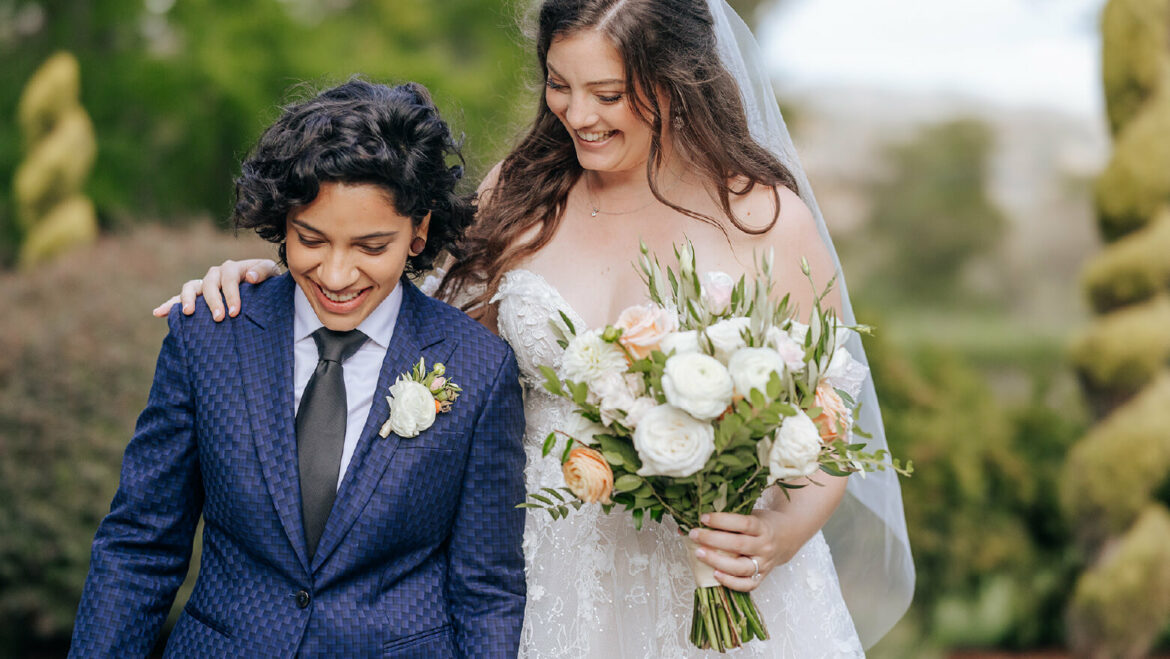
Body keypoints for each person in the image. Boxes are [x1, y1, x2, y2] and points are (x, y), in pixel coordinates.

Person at [155, 0, 915, 655]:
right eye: (560, 84)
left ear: (678, 81)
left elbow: (827, 421)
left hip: (710, 570)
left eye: (608, 93)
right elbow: (394, 307)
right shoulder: (521, 193)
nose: (577, 114)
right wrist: (270, 287)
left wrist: (780, 534)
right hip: (546, 566)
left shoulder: (764, 217)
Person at [73, 79, 527, 657]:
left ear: (417, 231)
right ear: (282, 221)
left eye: (369, 247)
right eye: (311, 239)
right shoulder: (207, 336)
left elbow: (487, 588)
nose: (336, 276)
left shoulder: (478, 367)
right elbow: (141, 546)